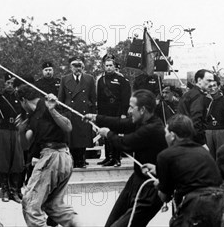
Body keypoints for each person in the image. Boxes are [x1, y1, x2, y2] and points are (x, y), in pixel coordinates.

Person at [85, 89, 167, 227]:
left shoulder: (153, 128)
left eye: (131, 107)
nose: (128, 110)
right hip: (136, 180)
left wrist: (108, 134)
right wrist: (95, 117)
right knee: (111, 223)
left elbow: (125, 144)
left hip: (150, 188)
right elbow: (121, 123)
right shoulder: (143, 121)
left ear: (142, 110)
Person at [16, 85, 81, 227]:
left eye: (21, 104)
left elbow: (68, 126)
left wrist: (52, 110)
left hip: (54, 156)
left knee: (30, 202)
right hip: (57, 157)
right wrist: (21, 130)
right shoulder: (32, 116)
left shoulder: (50, 103)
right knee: (53, 206)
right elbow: (27, 142)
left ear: (24, 100)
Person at [153, 114, 224, 227]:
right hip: (222, 204)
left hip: (196, 207)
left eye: (165, 132)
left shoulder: (165, 156)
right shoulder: (203, 152)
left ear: (172, 135)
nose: (164, 136)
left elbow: (165, 196)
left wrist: (159, 185)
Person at [0, 73, 25, 202]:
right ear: (4, 84)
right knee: (3, 160)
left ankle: (15, 190)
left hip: (16, 130)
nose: (10, 86)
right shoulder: (0, 97)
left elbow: (24, 112)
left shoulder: (18, 97)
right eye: (8, 83)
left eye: (12, 83)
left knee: (17, 160)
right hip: (3, 129)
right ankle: (5, 190)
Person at [58, 57, 96, 169]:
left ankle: (82, 159)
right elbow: (61, 98)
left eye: (79, 66)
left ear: (83, 66)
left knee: (82, 137)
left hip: (84, 112)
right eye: (75, 66)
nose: (77, 68)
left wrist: (93, 115)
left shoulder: (89, 79)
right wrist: (62, 113)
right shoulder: (64, 79)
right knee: (71, 138)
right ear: (71, 67)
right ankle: (72, 160)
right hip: (70, 112)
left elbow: (93, 98)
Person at [96, 55, 131, 167]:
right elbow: (99, 99)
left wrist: (123, 113)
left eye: (111, 65)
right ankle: (108, 157)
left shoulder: (122, 80)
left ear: (115, 67)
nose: (109, 68)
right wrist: (99, 115)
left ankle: (116, 158)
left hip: (117, 112)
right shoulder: (101, 80)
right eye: (107, 66)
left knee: (115, 135)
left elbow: (126, 98)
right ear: (104, 67)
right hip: (105, 112)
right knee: (106, 134)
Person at [178, 69, 215, 145]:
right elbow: (196, 122)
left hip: (183, 137)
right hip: (192, 140)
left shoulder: (190, 94)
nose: (211, 84)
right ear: (199, 80)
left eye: (212, 81)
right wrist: (202, 143)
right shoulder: (198, 96)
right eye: (208, 80)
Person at [203, 77, 224, 159]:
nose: (212, 88)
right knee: (209, 158)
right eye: (209, 86)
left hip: (221, 132)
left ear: (218, 87)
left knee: (223, 157)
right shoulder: (204, 100)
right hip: (207, 132)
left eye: (214, 85)